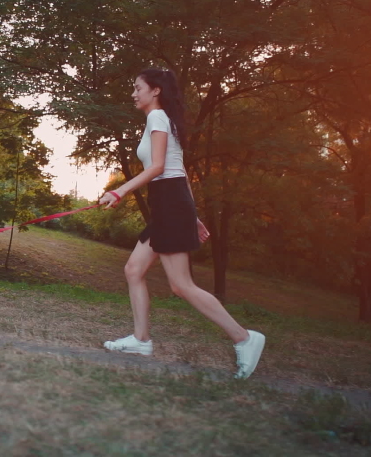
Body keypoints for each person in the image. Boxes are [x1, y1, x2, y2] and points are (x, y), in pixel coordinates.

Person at [98, 68, 265, 379]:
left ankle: (244, 338)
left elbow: (159, 167)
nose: (133, 94)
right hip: (171, 202)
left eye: (138, 88)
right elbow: (180, 169)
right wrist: (193, 215)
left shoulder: (157, 117)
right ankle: (140, 340)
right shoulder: (162, 120)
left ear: (155, 90)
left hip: (170, 201)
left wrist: (120, 191)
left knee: (181, 285)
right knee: (134, 270)